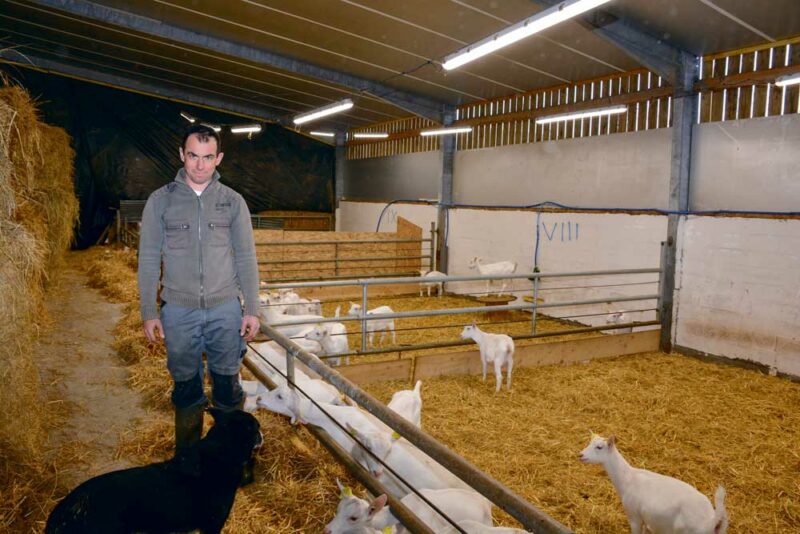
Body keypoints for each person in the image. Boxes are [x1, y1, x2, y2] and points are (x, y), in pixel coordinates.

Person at [137, 124, 260, 468]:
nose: (200, 165)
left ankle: (232, 462)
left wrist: (252, 307)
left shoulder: (233, 203)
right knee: (187, 389)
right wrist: (149, 310)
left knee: (227, 389)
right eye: (193, 156)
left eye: (208, 158)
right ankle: (188, 463)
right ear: (182, 155)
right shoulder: (160, 202)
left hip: (225, 310)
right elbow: (148, 259)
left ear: (218, 158)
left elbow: (246, 257)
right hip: (178, 311)